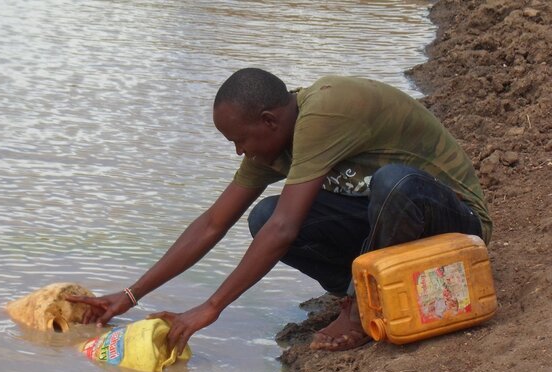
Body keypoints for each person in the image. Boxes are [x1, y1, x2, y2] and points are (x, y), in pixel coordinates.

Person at [68, 68, 492, 353]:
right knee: (262, 216)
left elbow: (287, 229)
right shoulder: (275, 140)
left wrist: (211, 307)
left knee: (392, 184)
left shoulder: (326, 109)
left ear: (269, 121)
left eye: (239, 139)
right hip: (393, 226)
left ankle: (360, 307)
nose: (239, 150)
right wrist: (128, 296)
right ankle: (360, 290)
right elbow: (214, 223)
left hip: (456, 224)